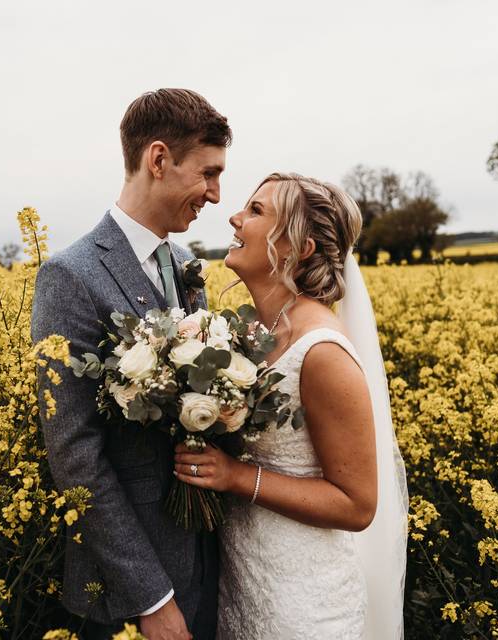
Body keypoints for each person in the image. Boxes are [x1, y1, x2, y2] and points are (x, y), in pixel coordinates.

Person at [31, 89, 231, 640]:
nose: (216, 195)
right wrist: (152, 597)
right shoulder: (69, 276)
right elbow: (74, 455)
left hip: (205, 559)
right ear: (159, 159)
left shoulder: (188, 265)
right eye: (208, 174)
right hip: (131, 592)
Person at [174, 173, 409, 639]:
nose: (235, 217)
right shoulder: (256, 334)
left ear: (299, 247)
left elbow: (357, 505)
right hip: (245, 583)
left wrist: (235, 476)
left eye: (256, 211)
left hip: (302, 604)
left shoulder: (321, 351)